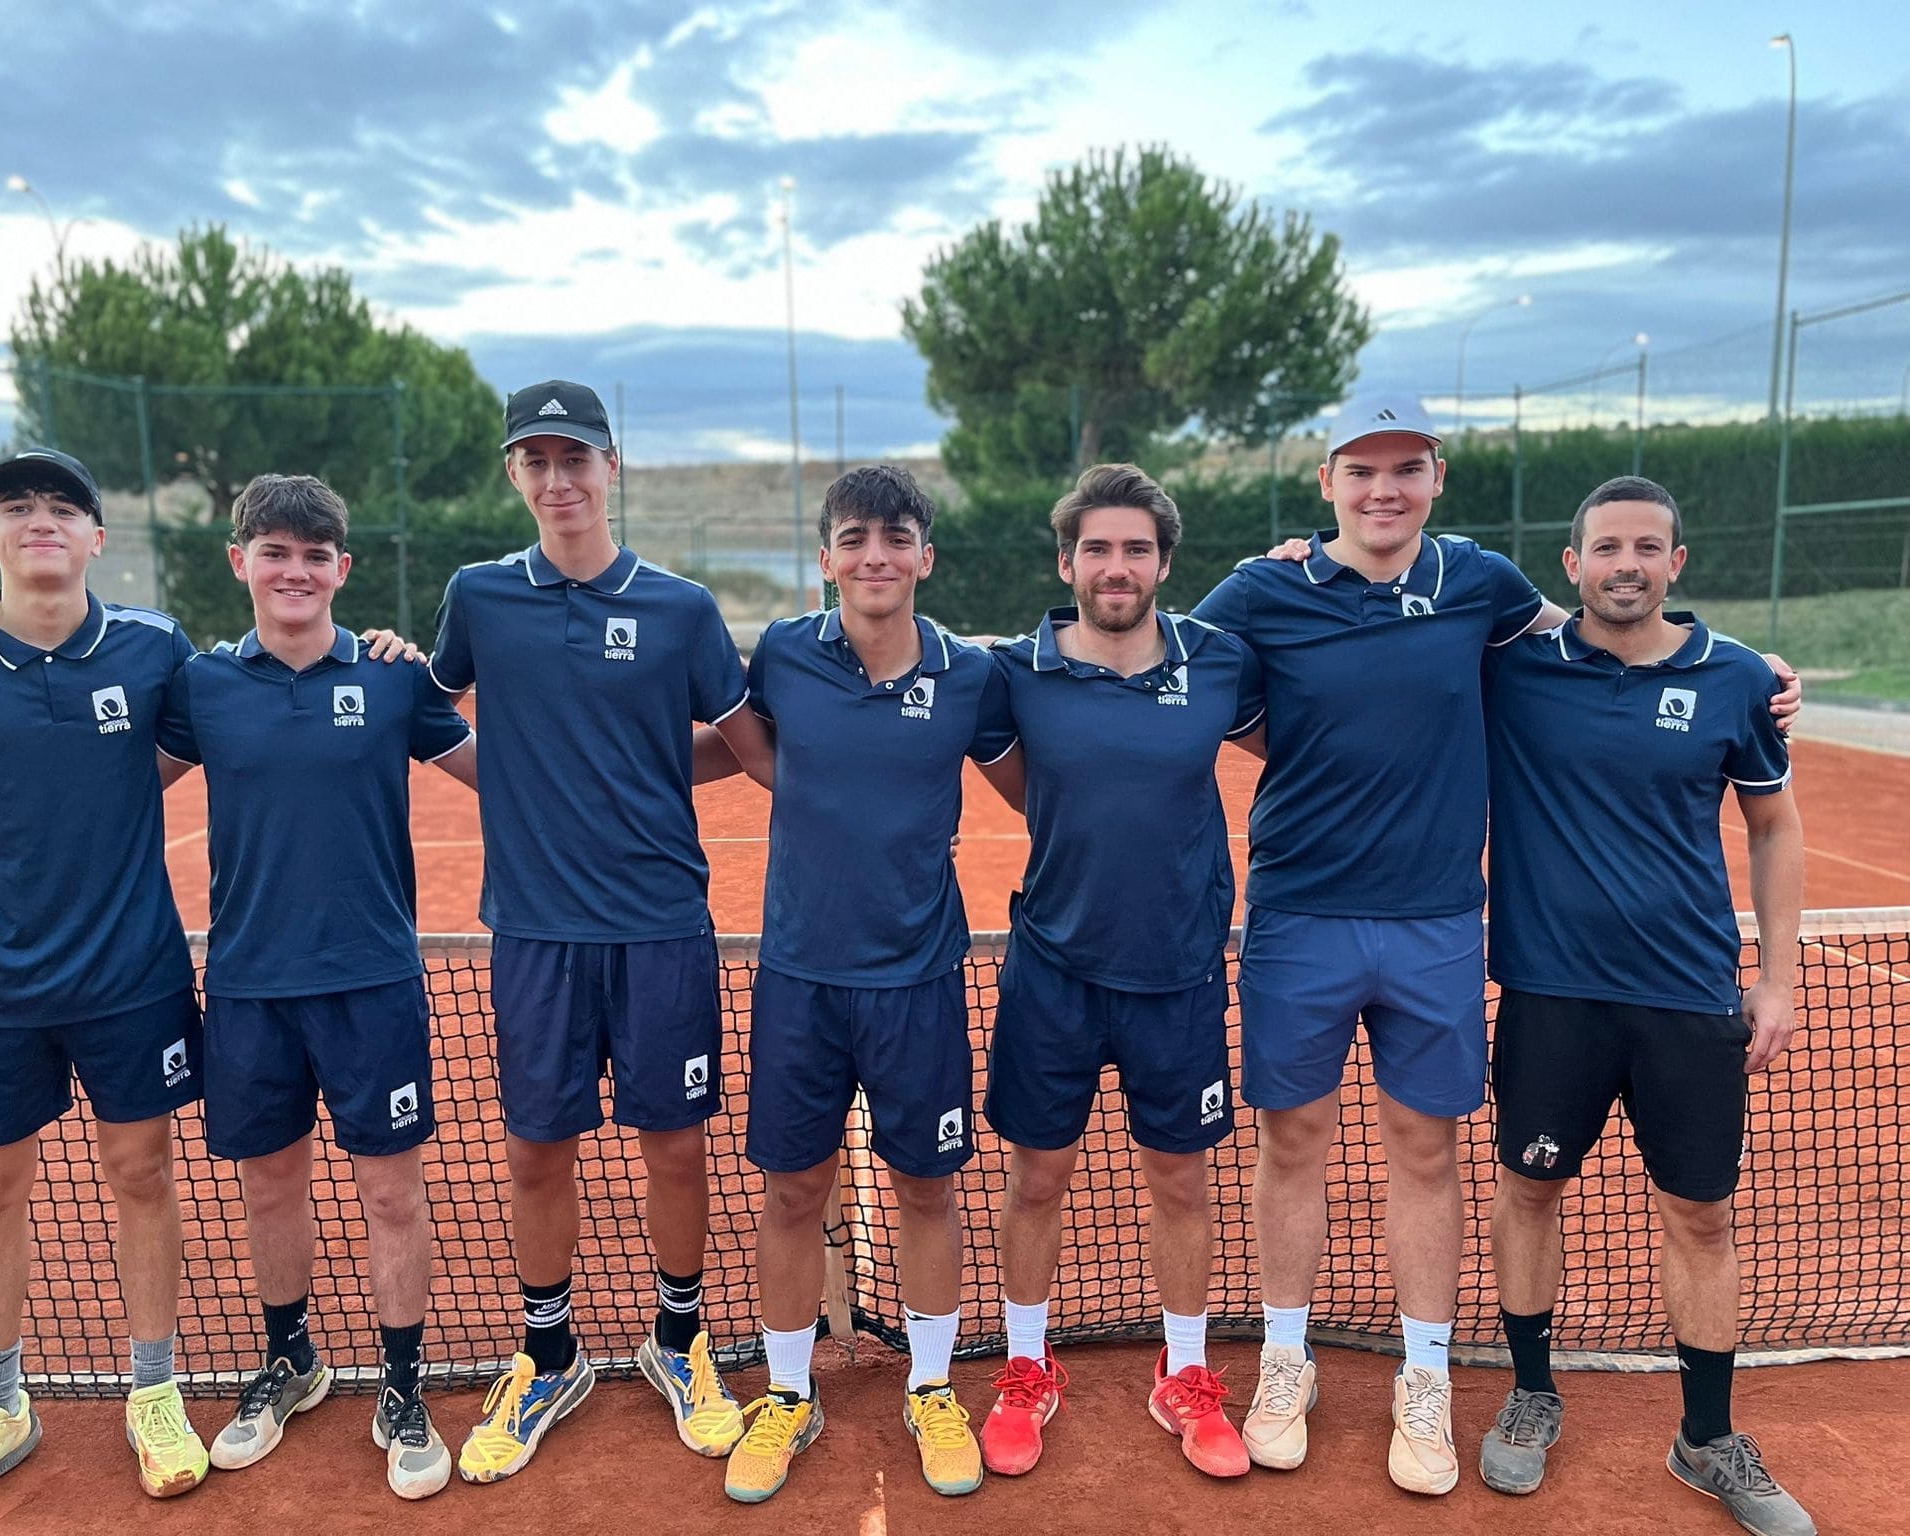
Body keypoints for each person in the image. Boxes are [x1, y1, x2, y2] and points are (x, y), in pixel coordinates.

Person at [1196, 401, 1800, 1495]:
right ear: (1326, 481)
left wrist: (1750, 671)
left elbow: (1605, 629)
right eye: (1361, 471)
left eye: (1405, 470)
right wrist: (1306, 740)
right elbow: (1180, 671)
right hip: (1296, 915)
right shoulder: (1261, 587)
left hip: (1436, 921)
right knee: (1290, 1141)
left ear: (1435, 478)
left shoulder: (1479, 584)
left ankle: (1422, 1384)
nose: (1382, 490)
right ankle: (1284, 1364)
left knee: (1425, 1154)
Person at [427, 381, 775, 1482]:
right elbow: (421, 709)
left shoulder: (678, 608)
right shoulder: (478, 596)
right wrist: (508, 777)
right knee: (537, 1147)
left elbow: (745, 736)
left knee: (675, 1145)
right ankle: (547, 1355)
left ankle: (678, 1341)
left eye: (573, 457)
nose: (556, 478)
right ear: (514, 476)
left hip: (660, 923)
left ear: (610, 466)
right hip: (534, 930)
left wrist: (650, 769)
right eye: (534, 460)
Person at [0, 448, 213, 1525]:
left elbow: (209, 735)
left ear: (96, 538)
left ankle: (153, 1389)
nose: (40, 521)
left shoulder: (155, 646)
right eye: (15, 507)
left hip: (132, 976)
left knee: (142, 1174)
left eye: (64, 507)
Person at [1476, 476, 1813, 1536]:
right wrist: (1310, 552)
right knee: (1528, 1191)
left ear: (1676, 562)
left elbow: (1772, 827)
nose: (1626, 562)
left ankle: (1705, 1439)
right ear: (1569, 568)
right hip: (1548, 994)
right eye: (1604, 547)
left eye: (1646, 546)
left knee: (1700, 1218)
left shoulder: (1734, 682)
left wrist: (1775, 978)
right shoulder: (1511, 668)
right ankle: (1530, 1393)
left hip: (1685, 999)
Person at [151, 474, 478, 1500]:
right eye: (274, 551)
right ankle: (290, 1361)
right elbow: (101, 791)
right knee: (267, 1187)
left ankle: (402, 1385)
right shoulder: (198, 686)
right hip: (249, 987)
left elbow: (509, 772)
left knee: (390, 1190)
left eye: (314, 554)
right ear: (239, 561)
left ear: (341, 568)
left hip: (372, 982)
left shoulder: (390, 680)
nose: (294, 570)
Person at [713, 466, 1015, 1503]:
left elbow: (1034, 771)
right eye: (853, 537)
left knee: (923, 1189)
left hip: (918, 980)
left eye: (895, 536)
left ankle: (931, 1388)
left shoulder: (972, 675)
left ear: (925, 555)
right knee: (793, 1192)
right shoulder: (785, 655)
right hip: (797, 978)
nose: (873, 553)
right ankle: (787, 1397)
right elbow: (735, 748)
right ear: (827, 557)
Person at [977, 463, 1267, 1481]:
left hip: (1180, 974)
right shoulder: (1014, 672)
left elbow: (1312, 738)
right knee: (1036, 1178)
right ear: (1066, 562)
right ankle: (1024, 1366)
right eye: (1095, 548)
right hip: (1050, 970)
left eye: (1134, 549)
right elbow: (1020, 784)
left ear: (1162, 563)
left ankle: (1182, 1375)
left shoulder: (1220, 661)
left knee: (1180, 1181)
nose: (1115, 566)